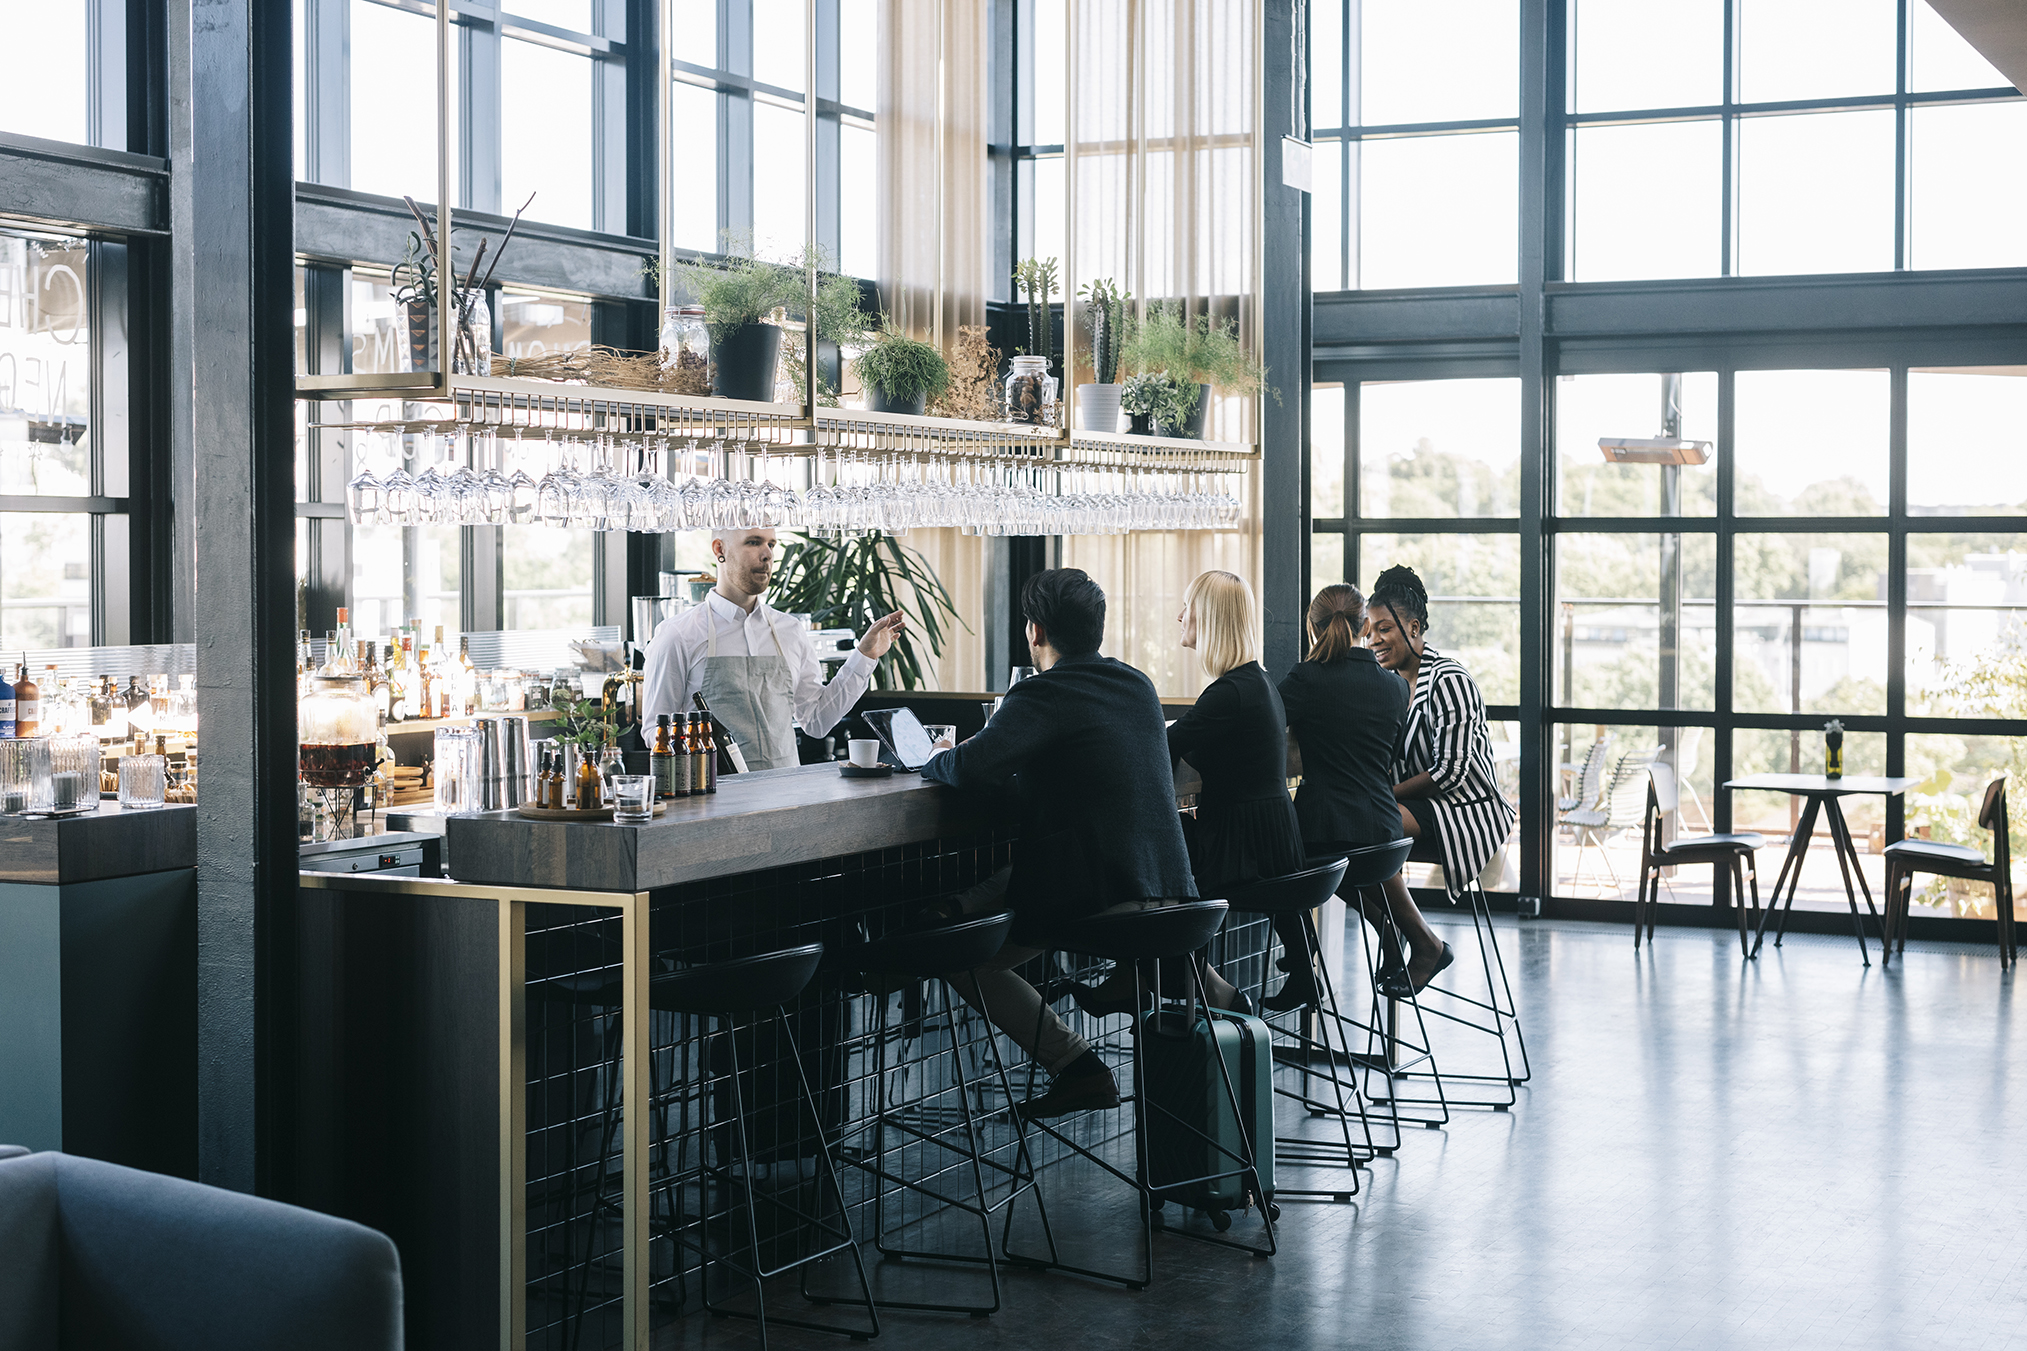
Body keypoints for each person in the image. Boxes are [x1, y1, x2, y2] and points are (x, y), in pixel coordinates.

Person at [921, 568, 1198, 1119]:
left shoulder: (1043, 693)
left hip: (1105, 894)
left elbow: (970, 768)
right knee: (999, 881)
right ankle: (955, 907)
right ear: (1098, 628)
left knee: (964, 957)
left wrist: (932, 757)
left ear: (1035, 632)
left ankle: (1077, 1068)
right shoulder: (1137, 683)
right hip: (1172, 889)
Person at [1069, 570, 1299, 1017]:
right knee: (1163, 857)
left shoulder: (1229, 693)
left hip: (1244, 849)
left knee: (1146, 863)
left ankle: (1142, 979)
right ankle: (1157, 980)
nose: (1179, 615)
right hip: (1270, 840)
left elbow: (1159, 749)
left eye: (1188, 607)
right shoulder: (1255, 683)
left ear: (1209, 618)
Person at [1275, 582, 1426, 1005]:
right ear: (1364, 626)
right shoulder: (1396, 687)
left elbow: (1262, 723)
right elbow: (1389, 757)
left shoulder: (1306, 678)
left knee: (1272, 861)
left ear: (1312, 628)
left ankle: (1304, 967)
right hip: (1384, 832)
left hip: (1328, 831)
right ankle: (1390, 931)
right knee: (1328, 869)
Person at [642, 527, 905, 770]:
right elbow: (655, 729)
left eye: (771, 544)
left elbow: (816, 721)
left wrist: (864, 657)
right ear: (719, 549)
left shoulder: (789, 630)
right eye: (754, 542)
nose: (767, 554)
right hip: (713, 803)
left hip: (786, 798)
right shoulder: (678, 635)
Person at [1368, 564, 1516, 992]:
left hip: (1465, 808)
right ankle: (1392, 929)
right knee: (1332, 836)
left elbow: (1450, 772)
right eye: (1367, 630)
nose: (1373, 639)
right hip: (1413, 808)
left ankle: (1427, 945)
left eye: (1383, 629)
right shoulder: (1388, 684)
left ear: (1414, 628)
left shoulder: (1449, 679)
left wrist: (1379, 794)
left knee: (1367, 826)